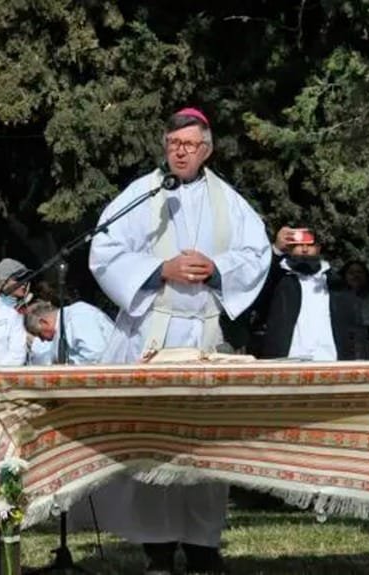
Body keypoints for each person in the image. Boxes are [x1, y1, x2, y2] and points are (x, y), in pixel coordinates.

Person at [88, 107, 271, 574]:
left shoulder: (228, 200)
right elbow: (103, 249)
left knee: (204, 446)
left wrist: (217, 268)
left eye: (190, 145)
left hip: (205, 336)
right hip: (153, 332)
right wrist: (159, 269)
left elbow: (256, 252)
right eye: (174, 145)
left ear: (206, 149)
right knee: (155, 443)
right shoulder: (141, 193)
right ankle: (159, 550)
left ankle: (205, 547)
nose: (180, 152)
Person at [258, 226, 363, 360]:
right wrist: (277, 250)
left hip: (329, 359)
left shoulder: (334, 282)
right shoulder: (279, 279)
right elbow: (260, 286)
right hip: (287, 360)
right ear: (289, 248)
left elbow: (350, 324)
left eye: (310, 245)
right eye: (298, 245)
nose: (305, 249)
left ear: (318, 248)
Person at [23, 300, 114, 365]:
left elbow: (95, 354)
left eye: (39, 334)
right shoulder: (63, 325)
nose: (42, 340)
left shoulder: (78, 316)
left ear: (43, 322)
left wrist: (67, 366)